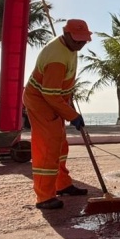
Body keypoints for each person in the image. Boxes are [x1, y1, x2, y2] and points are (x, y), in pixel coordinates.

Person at [23, 19, 92, 210]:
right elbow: (50, 94)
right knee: (48, 148)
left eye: (83, 40)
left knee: (60, 144)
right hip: (41, 102)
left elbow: (59, 89)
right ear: (66, 34)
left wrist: (68, 104)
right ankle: (44, 197)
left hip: (54, 100)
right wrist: (73, 115)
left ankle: (62, 184)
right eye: (77, 40)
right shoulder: (56, 58)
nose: (81, 44)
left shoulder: (70, 47)